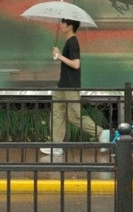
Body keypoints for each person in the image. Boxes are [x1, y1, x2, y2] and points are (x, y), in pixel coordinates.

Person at [41, 18, 110, 156]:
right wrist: (59, 54)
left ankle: (102, 133)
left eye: (63, 23)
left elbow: (76, 64)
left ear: (70, 26)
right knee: (57, 114)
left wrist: (59, 56)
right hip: (63, 85)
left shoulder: (73, 42)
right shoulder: (69, 42)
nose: (60, 25)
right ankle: (56, 146)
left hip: (70, 86)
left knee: (75, 116)